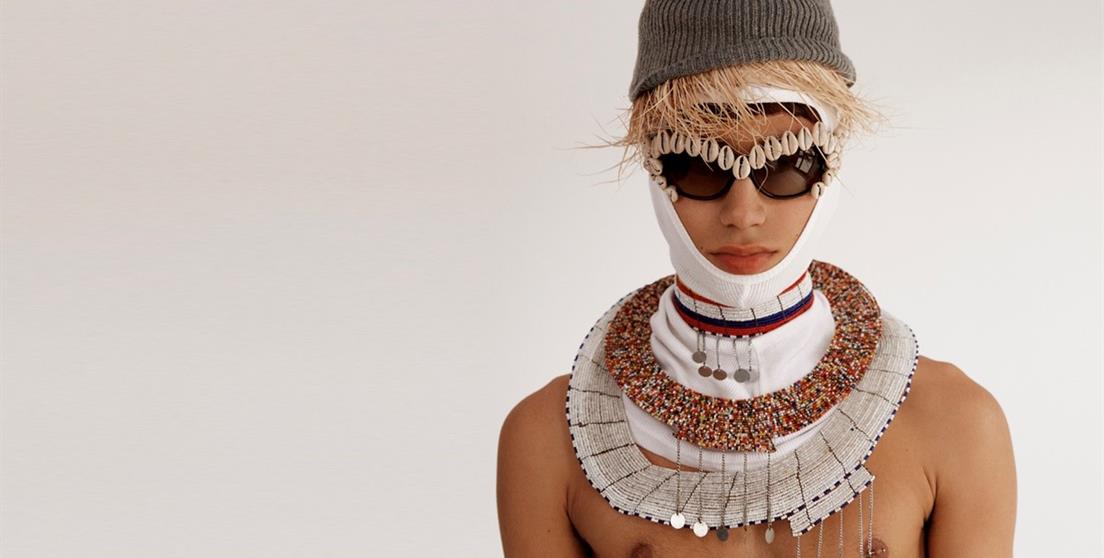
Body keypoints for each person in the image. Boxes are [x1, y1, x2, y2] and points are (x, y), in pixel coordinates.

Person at [497, 1, 1016, 556]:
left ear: (832, 162)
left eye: (789, 164)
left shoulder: (955, 422)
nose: (743, 213)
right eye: (698, 164)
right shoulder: (547, 440)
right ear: (653, 166)